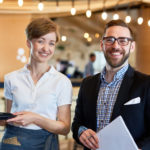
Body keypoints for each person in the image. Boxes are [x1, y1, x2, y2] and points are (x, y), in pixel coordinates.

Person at [72, 19, 150, 150]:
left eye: (123, 40)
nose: (116, 46)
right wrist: (81, 132)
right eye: (110, 40)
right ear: (102, 44)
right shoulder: (87, 84)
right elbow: (77, 124)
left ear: (132, 46)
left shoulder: (146, 84)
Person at [0, 18, 72, 150]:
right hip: (12, 141)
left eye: (51, 43)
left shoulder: (62, 82)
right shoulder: (11, 78)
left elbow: (65, 128)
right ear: (29, 43)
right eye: (40, 41)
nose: (46, 48)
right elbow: (7, 119)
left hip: (45, 143)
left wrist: (35, 118)